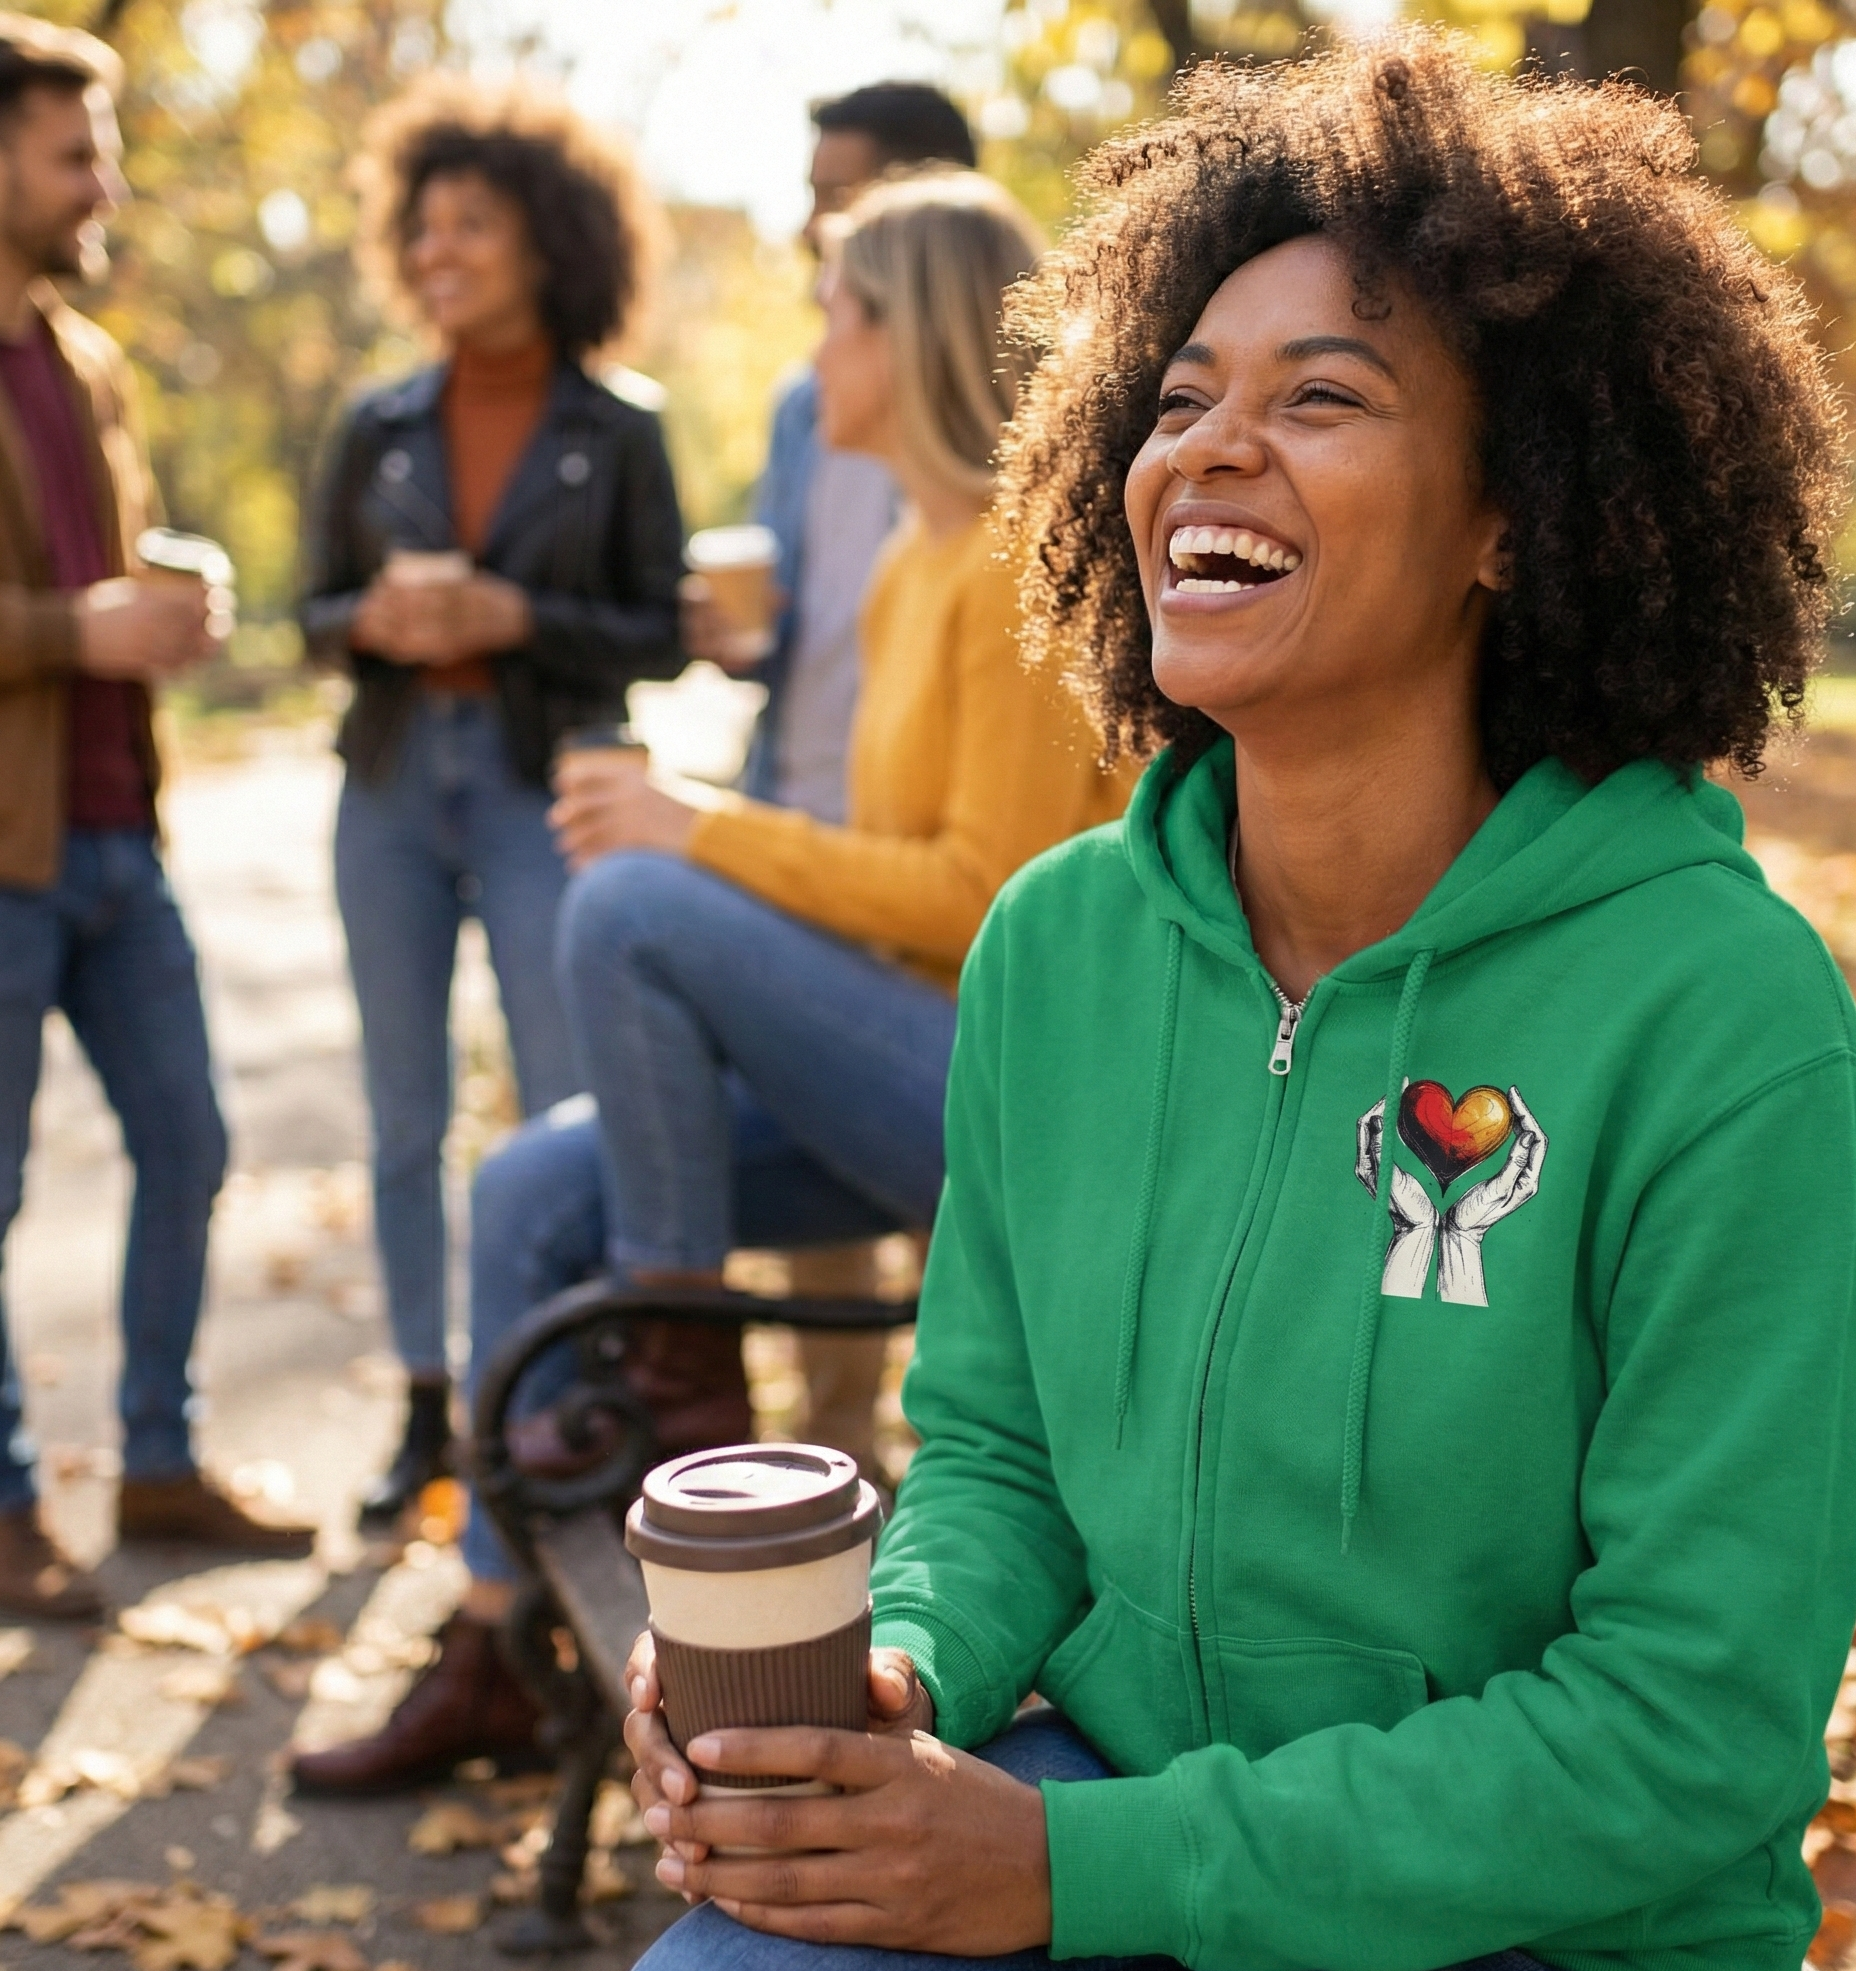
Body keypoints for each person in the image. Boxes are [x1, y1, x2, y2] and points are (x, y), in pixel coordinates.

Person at [601, 33, 1856, 1971]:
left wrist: (1063, 1866)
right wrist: (908, 1672)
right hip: (1126, 1790)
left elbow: (1682, 1734)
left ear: (1511, 517)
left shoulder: (1720, 1021)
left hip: (1573, 1936)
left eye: (1324, 397)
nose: (1207, 449)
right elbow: (997, 1449)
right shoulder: (1064, 947)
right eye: (1179, 397)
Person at [291, 168, 1132, 1799]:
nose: (817, 349)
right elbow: (885, 885)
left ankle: (681, 1403)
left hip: (1013, 1101)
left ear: (920, 334)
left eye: (839, 309)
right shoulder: (909, 562)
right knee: (534, 1179)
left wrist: (704, 835)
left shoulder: (1017, 568)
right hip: (906, 1067)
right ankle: (490, 1641)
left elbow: (984, 905)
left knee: (626, 904)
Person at [299, 79, 685, 1530]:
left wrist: (515, 609)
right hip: (395, 783)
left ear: (551, 240)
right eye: (424, 227)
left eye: (476, 224)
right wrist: (375, 621)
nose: (441, 251)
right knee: (403, 1115)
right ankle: (426, 1407)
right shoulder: (376, 423)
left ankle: (556, 1400)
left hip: (547, 789)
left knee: (560, 1107)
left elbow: (660, 628)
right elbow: (310, 617)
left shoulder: (620, 427)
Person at [0, 13, 316, 1622]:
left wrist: (167, 594)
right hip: (6, 848)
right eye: (74, 153)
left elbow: (87, 556)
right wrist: (74, 630)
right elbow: (52, 605)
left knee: (186, 1139)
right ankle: (1, 1506)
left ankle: (156, 1459)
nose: (102, 182)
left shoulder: (89, 361)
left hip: (124, 828)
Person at [696, 81, 977, 1463]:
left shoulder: (995, 525)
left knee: (947, 1222)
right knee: (826, 1246)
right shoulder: (812, 411)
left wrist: (687, 839)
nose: (815, 219)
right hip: (807, 797)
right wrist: (736, 635)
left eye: (840, 193)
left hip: (925, 862)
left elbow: (977, 889)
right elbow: (793, 593)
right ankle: (825, 1454)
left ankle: (962, 1456)